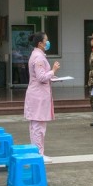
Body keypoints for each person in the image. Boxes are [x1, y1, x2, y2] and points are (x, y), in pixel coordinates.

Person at [24, 31, 60, 163]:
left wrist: (52, 75)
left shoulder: (37, 55)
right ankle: (39, 153)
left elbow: (42, 75)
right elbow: (41, 77)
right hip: (38, 96)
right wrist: (54, 70)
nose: (48, 42)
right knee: (39, 127)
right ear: (40, 43)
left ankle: (37, 152)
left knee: (36, 126)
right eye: (46, 40)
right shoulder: (39, 57)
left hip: (37, 94)